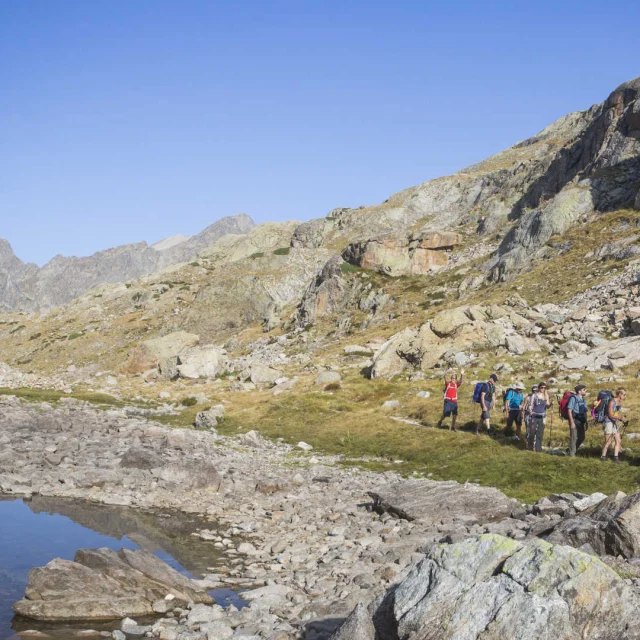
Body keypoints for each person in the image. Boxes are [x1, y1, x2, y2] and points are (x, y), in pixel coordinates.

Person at [601, 388, 627, 463]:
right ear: (619, 394)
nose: (625, 396)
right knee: (608, 441)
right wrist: (619, 417)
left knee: (618, 440)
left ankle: (616, 457)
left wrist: (620, 418)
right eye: (624, 394)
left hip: (614, 422)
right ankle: (603, 456)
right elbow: (610, 414)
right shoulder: (612, 401)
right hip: (608, 422)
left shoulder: (619, 402)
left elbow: (615, 413)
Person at [526, 382, 551, 452]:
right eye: (541, 387)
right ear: (539, 388)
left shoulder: (546, 396)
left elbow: (547, 406)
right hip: (534, 416)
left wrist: (550, 404)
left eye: (544, 388)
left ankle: (538, 449)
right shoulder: (534, 395)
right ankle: (530, 448)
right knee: (532, 432)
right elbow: (531, 404)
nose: (543, 389)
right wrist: (530, 411)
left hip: (542, 417)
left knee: (540, 433)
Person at [567, 384, 588, 457]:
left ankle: (571, 450)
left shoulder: (583, 399)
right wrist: (572, 422)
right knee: (574, 437)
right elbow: (569, 410)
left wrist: (586, 422)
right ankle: (572, 455)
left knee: (582, 437)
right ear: (579, 391)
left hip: (581, 421)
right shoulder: (573, 398)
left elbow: (585, 411)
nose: (586, 391)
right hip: (574, 420)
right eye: (584, 390)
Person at [523, 384, 538, 450]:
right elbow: (524, 406)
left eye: (535, 391)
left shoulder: (538, 398)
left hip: (535, 416)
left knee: (535, 430)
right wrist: (522, 416)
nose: (534, 392)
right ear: (532, 390)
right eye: (533, 390)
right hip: (528, 415)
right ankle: (527, 444)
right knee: (528, 430)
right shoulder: (528, 397)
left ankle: (533, 445)